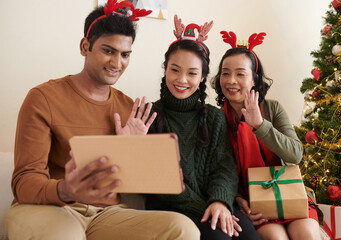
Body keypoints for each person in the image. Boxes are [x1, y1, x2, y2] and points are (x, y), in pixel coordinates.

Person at [5, 2, 201, 240]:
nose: (117, 64)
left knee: (184, 229)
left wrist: (132, 152)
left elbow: (134, 185)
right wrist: (66, 189)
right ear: (85, 46)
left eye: (125, 54)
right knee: (67, 235)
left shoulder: (130, 109)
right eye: (108, 51)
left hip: (104, 214)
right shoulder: (43, 98)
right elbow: (24, 182)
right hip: (49, 208)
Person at [145, 15, 260, 240]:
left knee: (250, 237)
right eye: (175, 70)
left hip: (211, 202)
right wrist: (207, 208)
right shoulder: (150, 115)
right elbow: (159, 182)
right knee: (220, 238)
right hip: (170, 208)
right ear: (165, 70)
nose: (182, 80)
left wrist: (219, 201)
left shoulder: (214, 117)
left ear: (203, 77)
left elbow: (224, 167)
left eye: (192, 73)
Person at [211, 30, 322, 240]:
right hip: (253, 202)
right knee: (275, 238)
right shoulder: (215, 118)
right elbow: (213, 169)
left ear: (254, 79)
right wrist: (236, 199)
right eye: (225, 73)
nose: (231, 80)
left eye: (240, 74)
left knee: (306, 234)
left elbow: (295, 154)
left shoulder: (272, 108)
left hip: (287, 194)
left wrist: (260, 125)